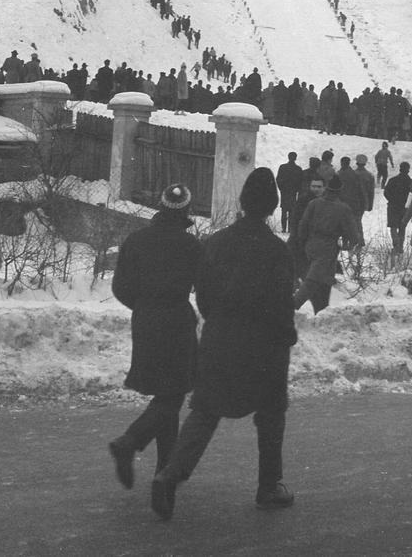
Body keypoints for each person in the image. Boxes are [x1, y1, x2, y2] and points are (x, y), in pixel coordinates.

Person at [151, 168, 297, 519]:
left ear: (243, 203)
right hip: (264, 347)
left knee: (205, 411)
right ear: (273, 206)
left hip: (220, 339)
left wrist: (219, 323)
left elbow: (203, 295)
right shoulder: (277, 251)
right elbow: (281, 304)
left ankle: (169, 476)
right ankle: (268, 487)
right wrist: (285, 336)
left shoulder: (215, 243)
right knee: (272, 414)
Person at [108, 184, 202, 492]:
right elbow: (206, 287)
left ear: (160, 207)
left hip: (145, 321)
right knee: (173, 395)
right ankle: (131, 442)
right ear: (187, 211)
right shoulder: (191, 246)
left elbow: (120, 287)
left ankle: (165, 472)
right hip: (177, 321)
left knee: (166, 394)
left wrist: (144, 307)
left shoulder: (136, 240)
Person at [294, 174, 360, 314]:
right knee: (313, 281)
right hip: (328, 248)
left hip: (311, 245)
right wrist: (348, 244)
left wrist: (305, 243)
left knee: (325, 281)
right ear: (339, 191)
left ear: (326, 189)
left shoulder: (314, 204)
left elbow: (302, 226)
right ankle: (291, 305)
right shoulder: (343, 209)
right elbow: (353, 235)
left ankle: (322, 312)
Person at [384, 162, 411, 266]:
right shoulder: (411, 182)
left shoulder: (393, 180)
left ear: (400, 169)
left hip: (393, 207)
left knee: (393, 227)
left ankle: (395, 244)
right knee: (402, 227)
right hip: (404, 208)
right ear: (408, 169)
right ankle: (400, 247)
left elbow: (386, 192)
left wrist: (392, 200)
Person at [276, 151, 303, 233]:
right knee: (292, 212)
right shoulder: (298, 169)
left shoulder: (283, 167)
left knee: (284, 211)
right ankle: (290, 229)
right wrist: (297, 190)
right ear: (295, 158)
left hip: (285, 192)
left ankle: (284, 229)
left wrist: (281, 188)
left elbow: (278, 179)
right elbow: (300, 182)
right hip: (293, 192)